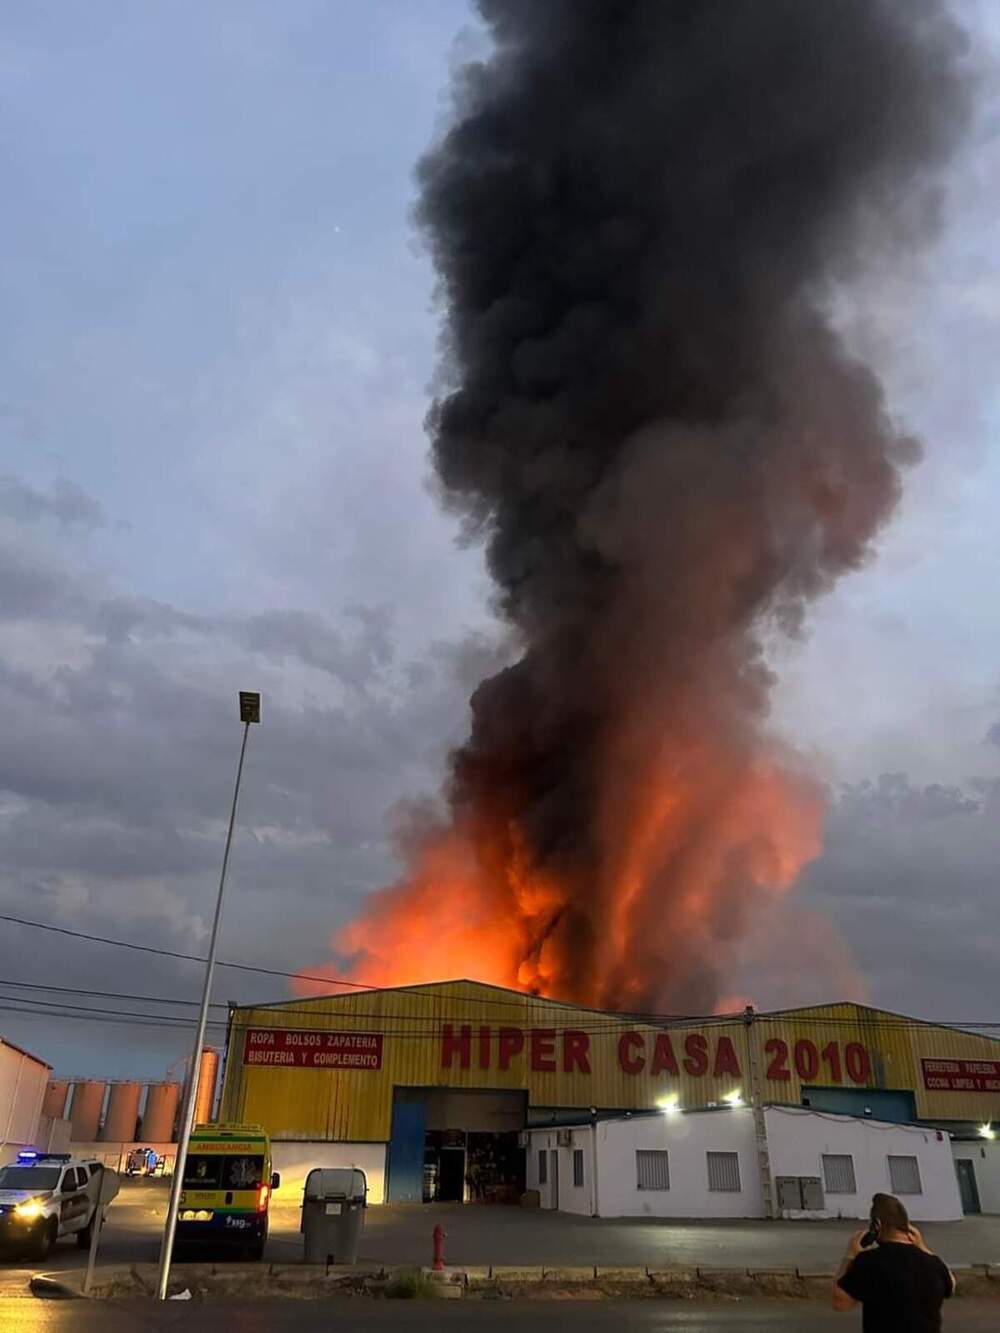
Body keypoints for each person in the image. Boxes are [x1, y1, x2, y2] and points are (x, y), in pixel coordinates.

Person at [832, 1192, 956, 1331]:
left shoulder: (869, 1261)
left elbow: (840, 1303)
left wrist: (849, 1256)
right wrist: (923, 1247)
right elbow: (951, 1286)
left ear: (876, 1225)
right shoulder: (932, 1263)